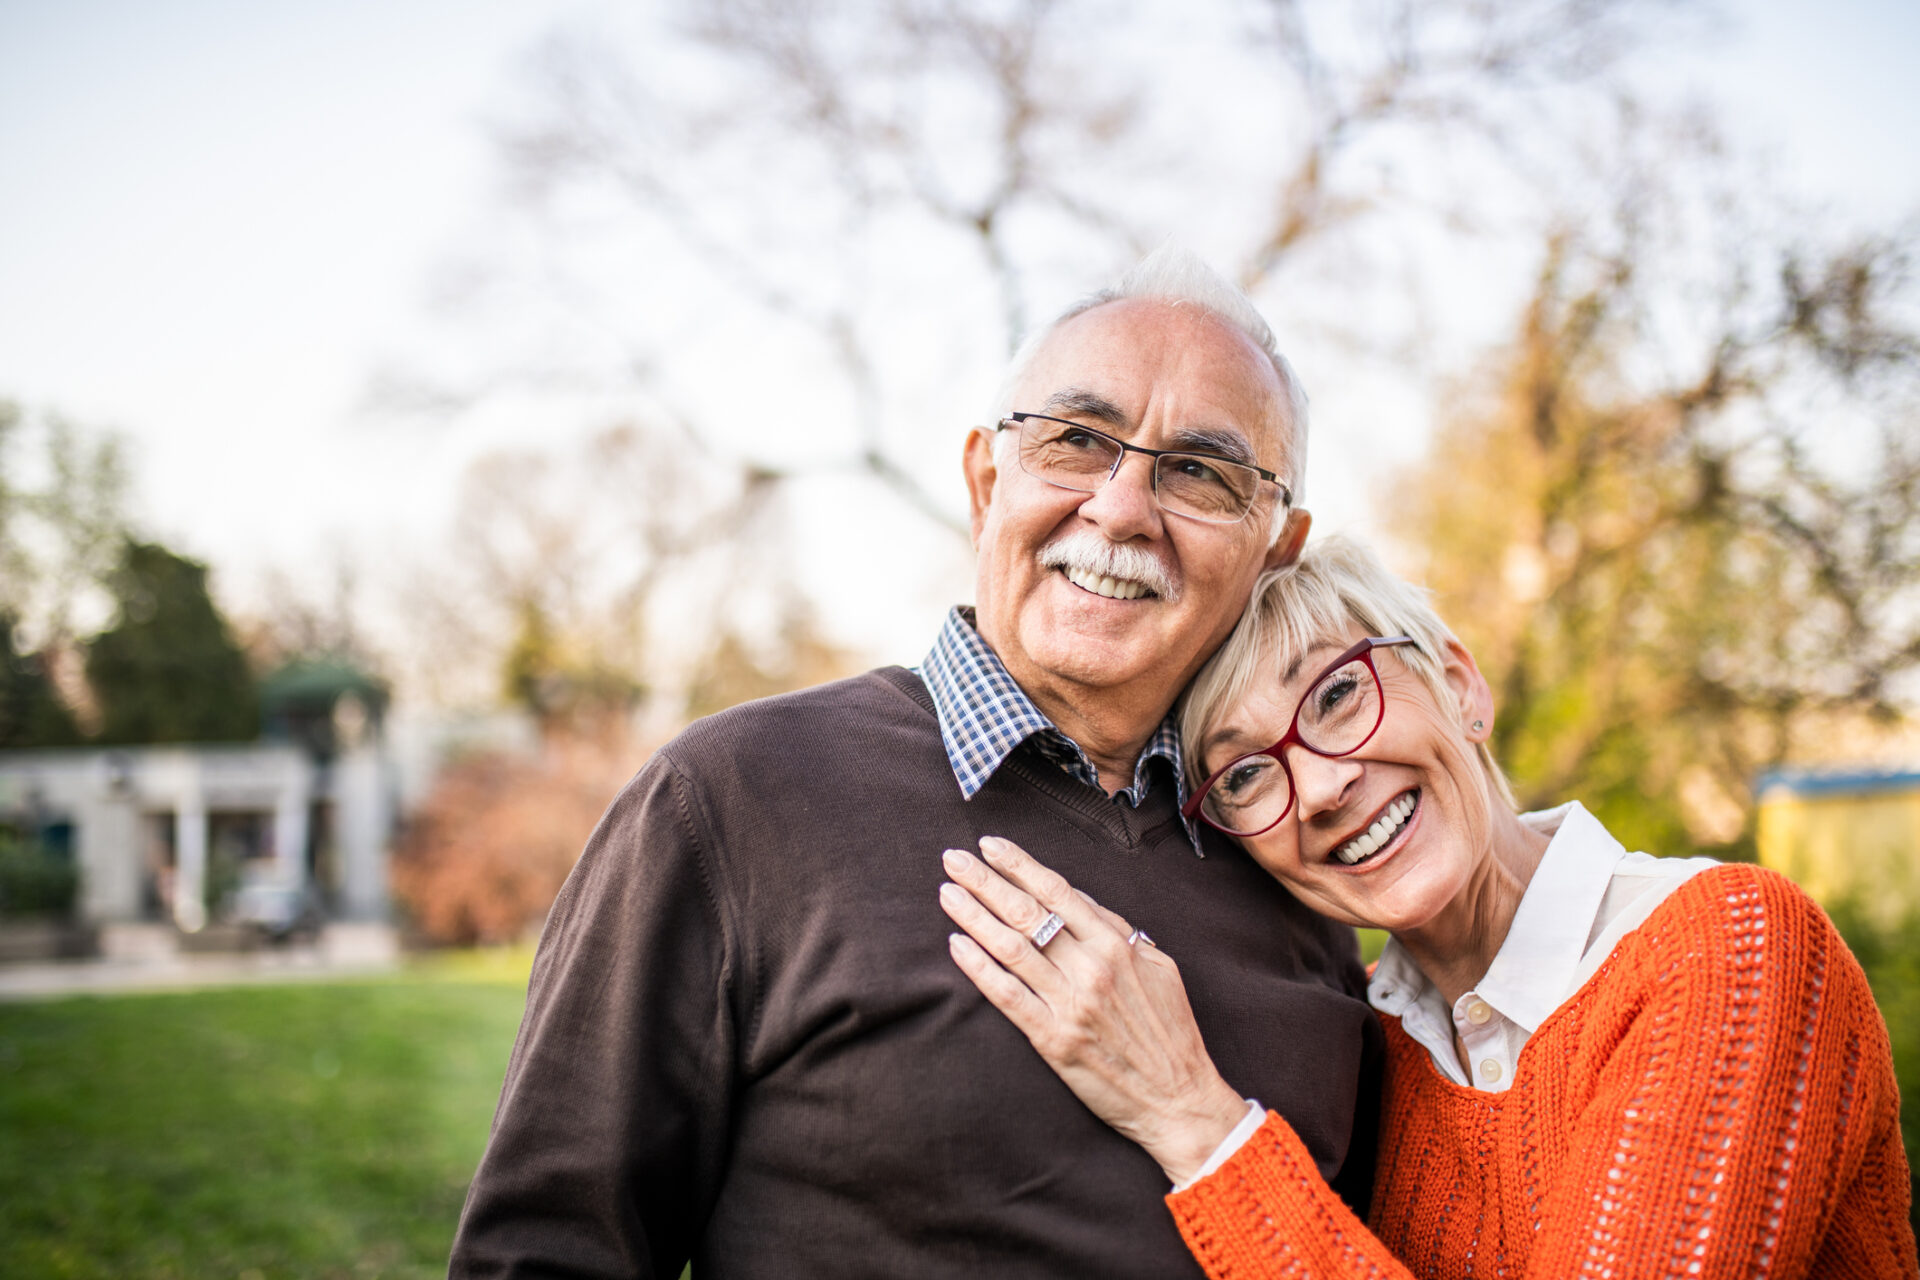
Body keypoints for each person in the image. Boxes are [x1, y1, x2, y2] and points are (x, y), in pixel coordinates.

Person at [448, 248, 1386, 1279]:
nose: (1121, 510)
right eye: (1078, 440)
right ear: (988, 477)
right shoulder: (733, 797)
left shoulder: (1301, 863)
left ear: (1276, 547)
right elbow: (543, 1255)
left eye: (1199, 471)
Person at [941, 534, 1919, 1279]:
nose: (1319, 787)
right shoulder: (1360, 1042)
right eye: (1244, 773)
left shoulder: (1732, 947)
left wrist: (1197, 1124)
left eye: (1332, 696)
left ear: (1459, 684)